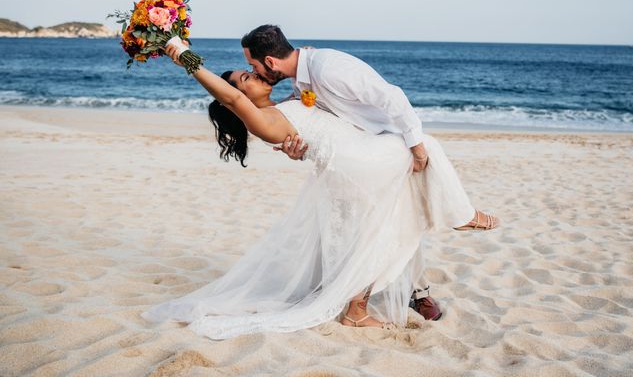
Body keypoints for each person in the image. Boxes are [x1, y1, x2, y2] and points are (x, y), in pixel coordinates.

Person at [140, 37, 499, 340]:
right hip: (358, 165)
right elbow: (233, 99)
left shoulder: (287, 101)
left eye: (250, 69)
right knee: (422, 152)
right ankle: (460, 216)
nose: (251, 75)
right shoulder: (261, 119)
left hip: (356, 160)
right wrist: (182, 56)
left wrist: (308, 65)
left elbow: (313, 124)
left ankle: (375, 299)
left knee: (389, 225)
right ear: (238, 97)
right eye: (245, 77)